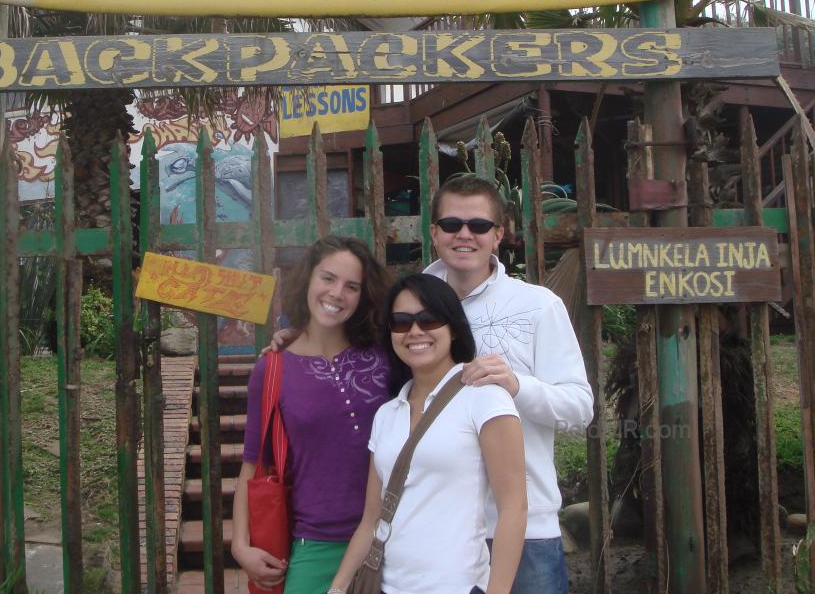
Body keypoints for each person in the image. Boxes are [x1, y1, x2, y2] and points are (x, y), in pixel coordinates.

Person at [425, 175, 593, 594]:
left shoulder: (537, 305)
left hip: (524, 529)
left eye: (479, 226)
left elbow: (579, 408)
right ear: (434, 233)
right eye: (451, 224)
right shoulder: (410, 306)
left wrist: (518, 386)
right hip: (432, 529)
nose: (464, 235)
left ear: (498, 235)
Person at [327, 273, 527, 594]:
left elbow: (513, 507)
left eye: (429, 319)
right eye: (402, 322)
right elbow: (371, 520)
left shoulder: (484, 397)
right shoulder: (387, 415)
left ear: (453, 328)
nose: (415, 331)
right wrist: (337, 587)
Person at [232, 236, 392, 594]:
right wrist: (239, 545)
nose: (337, 293)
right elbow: (251, 464)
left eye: (352, 286)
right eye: (328, 278)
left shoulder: (385, 357)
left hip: (395, 539)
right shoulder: (272, 369)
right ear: (307, 279)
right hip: (316, 544)